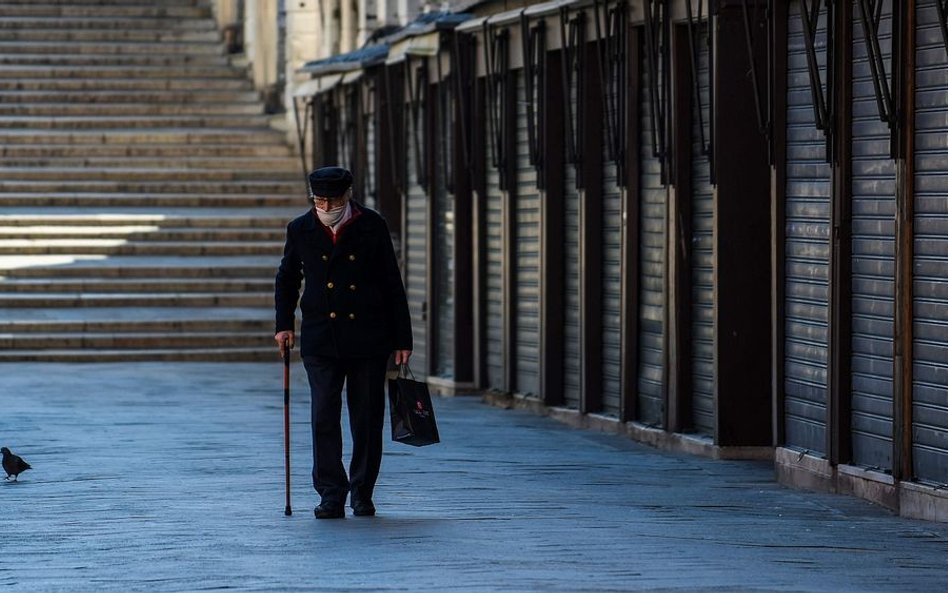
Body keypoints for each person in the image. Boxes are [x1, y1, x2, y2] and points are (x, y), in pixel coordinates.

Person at [274, 166, 412, 519]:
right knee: (323, 415)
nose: (325, 206)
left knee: (366, 418)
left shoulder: (371, 225)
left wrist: (402, 338)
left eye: (331, 200)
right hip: (322, 337)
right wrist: (283, 325)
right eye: (319, 200)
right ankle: (331, 493)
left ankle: (362, 491)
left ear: (347, 196)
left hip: (368, 336)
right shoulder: (301, 228)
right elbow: (287, 278)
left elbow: (391, 283)